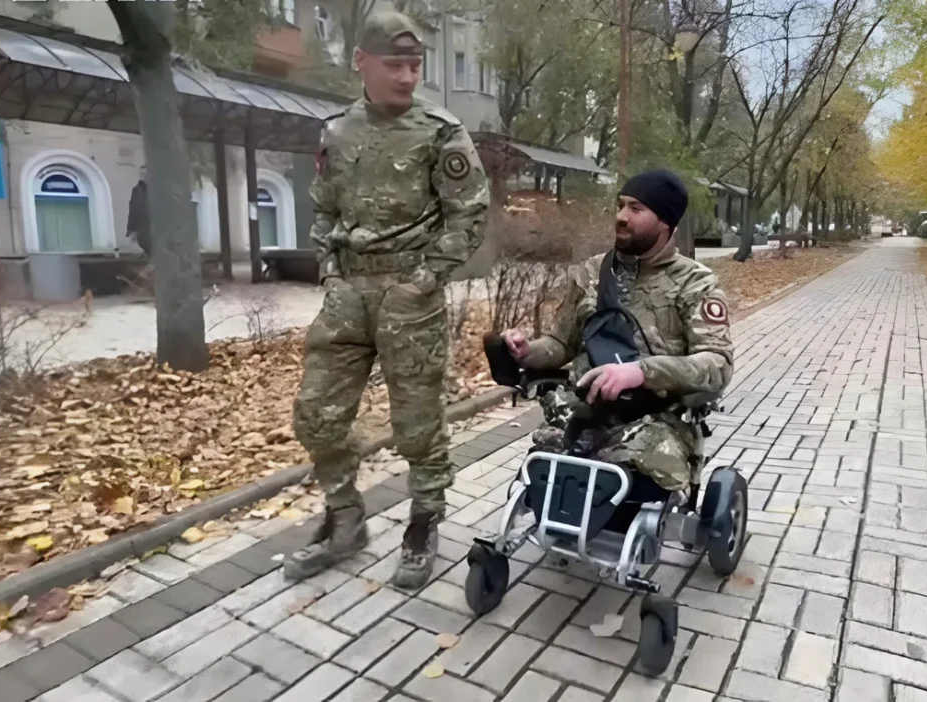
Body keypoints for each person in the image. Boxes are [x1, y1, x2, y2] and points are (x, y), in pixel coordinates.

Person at [284, 11, 489, 588]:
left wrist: (423, 280)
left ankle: (423, 522)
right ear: (361, 62)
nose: (407, 76)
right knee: (317, 416)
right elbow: (323, 209)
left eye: (415, 65)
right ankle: (344, 518)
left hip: (409, 296)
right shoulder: (336, 131)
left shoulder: (440, 131)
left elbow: (470, 214)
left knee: (417, 425)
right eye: (395, 65)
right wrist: (330, 273)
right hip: (347, 295)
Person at [502, 169, 733, 492]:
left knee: (623, 477)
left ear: (665, 222)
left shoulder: (695, 283)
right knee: (540, 475)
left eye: (636, 208)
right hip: (585, 413)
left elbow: (717, 363)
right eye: (621, 205)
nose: (621, 216)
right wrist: (528, 351)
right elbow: (560, 342)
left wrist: (641, 372)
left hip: (658, 419)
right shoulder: (592, 272)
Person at [127, 165, 151, 258]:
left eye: (145, 174)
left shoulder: (157, 190)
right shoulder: (137, 190)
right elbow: (133, 210)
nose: (143, 176)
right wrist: (132, 231)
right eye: (142, 174)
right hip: (143, 232)